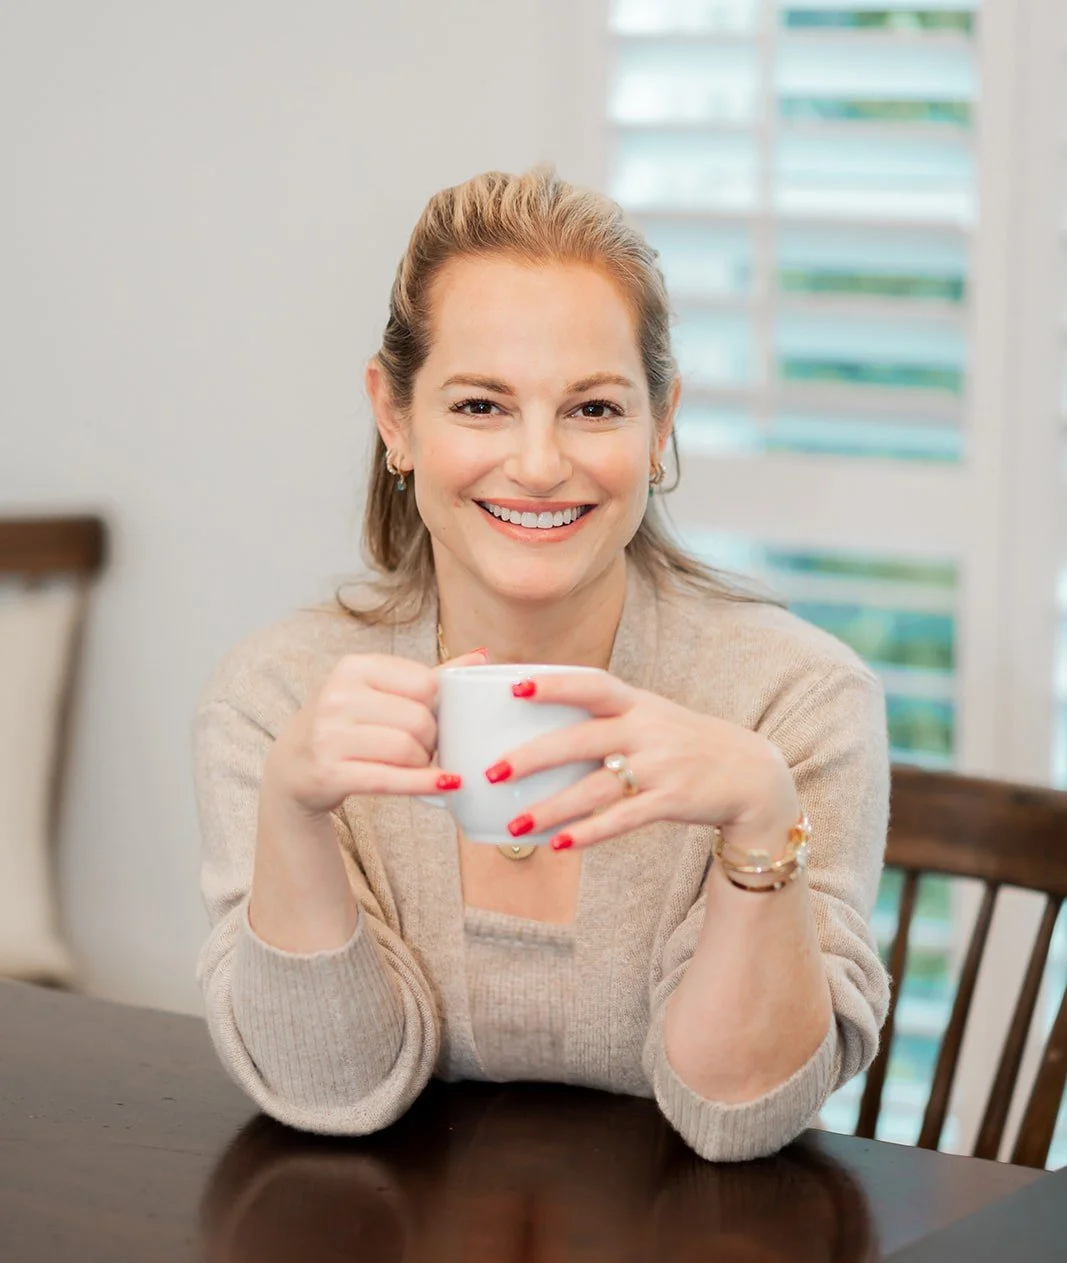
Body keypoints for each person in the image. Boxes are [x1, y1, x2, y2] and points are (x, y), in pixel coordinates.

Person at [193, 166, 890, 1164]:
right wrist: (290, 813)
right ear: (394, 418)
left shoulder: (791, 701)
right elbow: (325, 1090)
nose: (534, 463)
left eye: (593, 409)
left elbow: (736, 1113)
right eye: (479, 405)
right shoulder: (272, 701)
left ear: (660, 425)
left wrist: (758, 820)